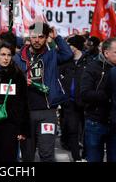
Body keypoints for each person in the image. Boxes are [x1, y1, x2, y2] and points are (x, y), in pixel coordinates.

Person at [13, 22, 73, 162]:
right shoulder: (18, 57)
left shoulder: (52, 55)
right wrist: (22, 81)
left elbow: (68, 54)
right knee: (27, 155)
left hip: (47, 112)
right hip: (25, 112)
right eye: (34, 37)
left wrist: (57, 37)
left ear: (46, 38)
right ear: (29, 36)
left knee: (46, 154)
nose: (37, 40)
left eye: (41, 37)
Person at [81, 37, 116, 162]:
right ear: (106, 53)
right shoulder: (92, 68)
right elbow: (84, 94)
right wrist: (108, 94)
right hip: (96, 122)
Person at [58, 34, 89, 161]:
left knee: (87, 131)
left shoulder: (89, 62)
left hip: (86, 102)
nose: (66, 47)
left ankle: (85, 155)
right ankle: (76, 157)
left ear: (75, 47)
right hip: (69, 103)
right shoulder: (65, 62)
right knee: (72, 130)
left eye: (69, 45)